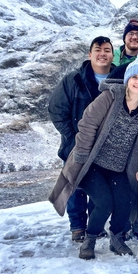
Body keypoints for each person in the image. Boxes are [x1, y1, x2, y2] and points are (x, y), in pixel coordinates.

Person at [49, 54, 138, 260]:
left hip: (118, 168)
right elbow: (88, 124)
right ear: (127, 80)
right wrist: (80, 154)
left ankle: (117, 239)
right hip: (93, 164)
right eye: (135, 77)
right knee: (104, 202)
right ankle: (89, 240)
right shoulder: (110, 97)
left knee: (124, 203)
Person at [48, 36, 115, 243]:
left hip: (105, 148)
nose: (102, 54)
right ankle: (77, 227)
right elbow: (57, 110)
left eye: (107, 50)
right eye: (98, 49)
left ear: (113, 55)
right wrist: (74, 137)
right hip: (75, 146)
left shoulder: (117, 80)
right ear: (90, 54)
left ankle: (95, 224)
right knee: (75, 187)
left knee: (99, 188)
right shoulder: (73, 80)